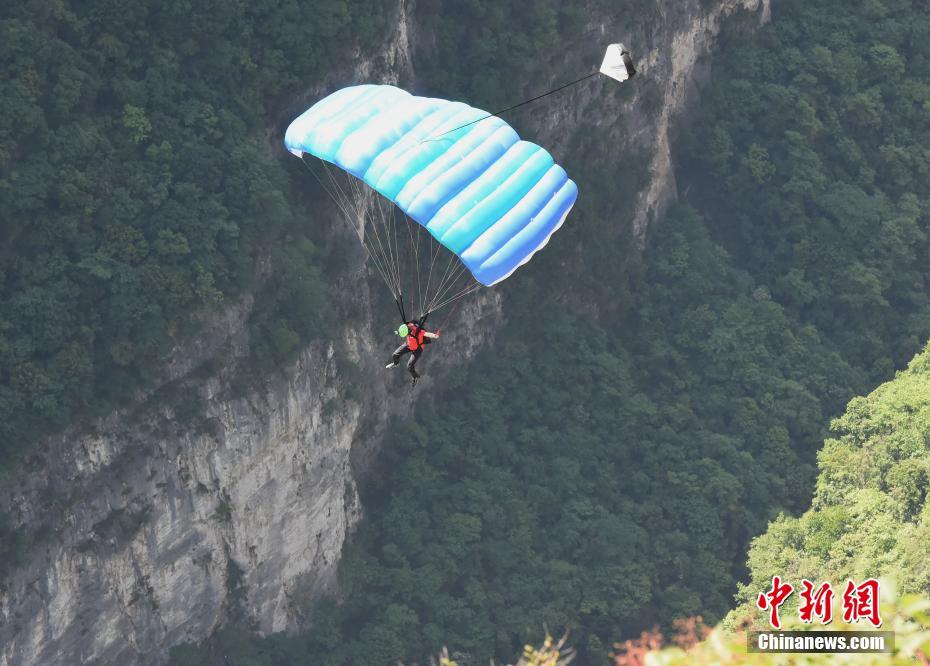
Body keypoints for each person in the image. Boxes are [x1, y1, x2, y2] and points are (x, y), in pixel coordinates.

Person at [386, 320, 440, 384]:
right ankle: (396, 364)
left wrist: (435, 336)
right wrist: (397, 332)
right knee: (395, 355)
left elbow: (426, 334)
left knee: (409, 366)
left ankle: (415, 377)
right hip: (409, 345)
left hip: (418, 349)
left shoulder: (418, 331)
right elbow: (402, 331)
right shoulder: (408, 326)